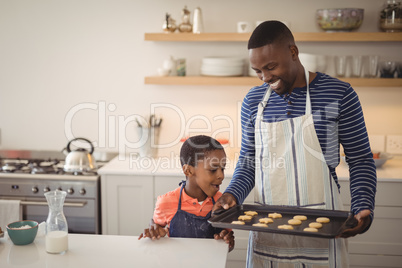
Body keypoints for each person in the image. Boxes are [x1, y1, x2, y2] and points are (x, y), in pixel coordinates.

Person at [213, 21, 377, 267]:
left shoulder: (339, 94)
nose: (265, 77)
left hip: (323, 229)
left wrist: (363, 205)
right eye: (257, 70)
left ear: (293, 52)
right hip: (268, 234)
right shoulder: (253, 101)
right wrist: (231, 194)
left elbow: (361, 159)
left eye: (271, 67)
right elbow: (249, 162)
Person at [139, 135, 235, 251]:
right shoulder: (166, 202)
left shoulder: (222, 203)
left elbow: (229, 245)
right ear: (188, 170)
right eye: (213, 170)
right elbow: (156, 226)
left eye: (223, 169)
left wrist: (227, 241)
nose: (221, 175)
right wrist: (153, 231)